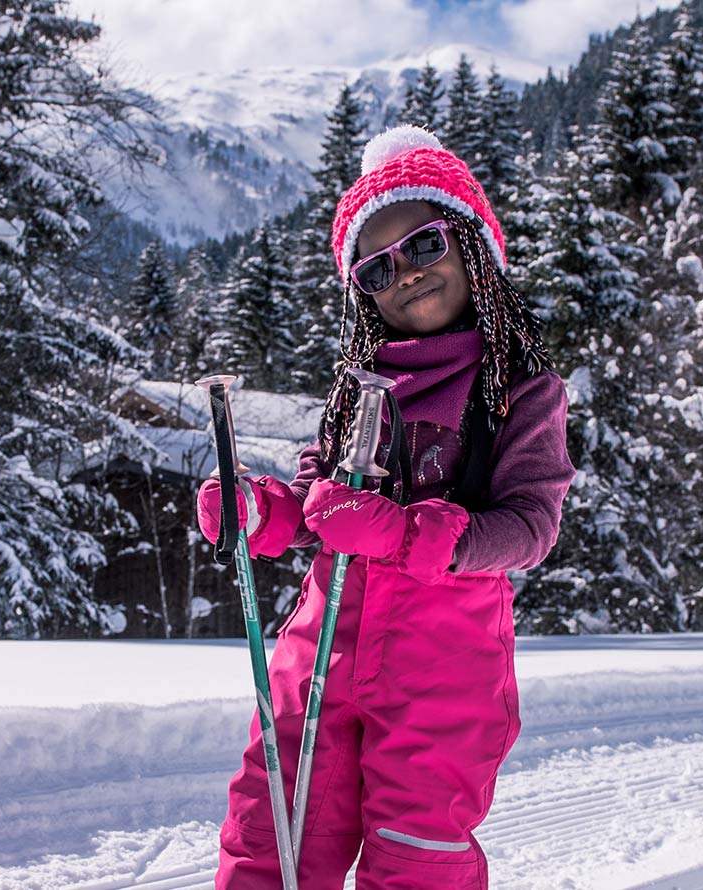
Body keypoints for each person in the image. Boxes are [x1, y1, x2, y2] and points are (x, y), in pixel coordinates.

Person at [196, 125, 573, 888]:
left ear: (472, 241)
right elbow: (316, 505)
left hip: (445, 670)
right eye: (376, 269)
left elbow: (531, 526)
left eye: (425, 245)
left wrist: (410, 534)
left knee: (415, 864)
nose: (404, 273)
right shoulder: (355, 387)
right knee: (272, 839)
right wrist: (261, 514)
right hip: (320, 654)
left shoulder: (519, 390)